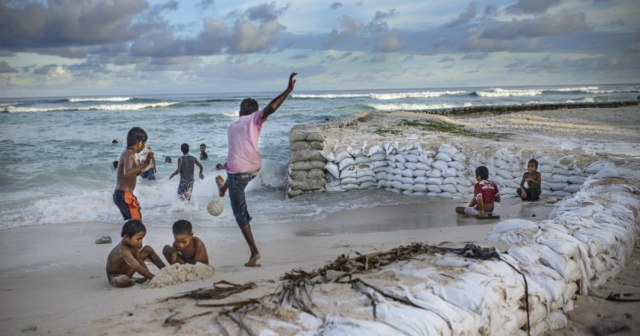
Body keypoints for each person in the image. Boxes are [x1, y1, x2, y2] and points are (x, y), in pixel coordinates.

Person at [216, 72, 297, 267]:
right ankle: (224, 188)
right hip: (253, 168)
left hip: (238, 171)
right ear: (253, 111)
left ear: (240, 111)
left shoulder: (234, 125)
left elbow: (272, 107)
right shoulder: (253, 121)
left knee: (239, 213)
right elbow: (269, 109)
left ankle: (254, 252)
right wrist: (288, 90)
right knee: (234, 177)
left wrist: (287, 90)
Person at [105, 220, 166, 288]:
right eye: (138, 239)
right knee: (124, 280)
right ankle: (133, 280)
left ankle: (166, 270)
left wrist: (147, 276)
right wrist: (154, 278)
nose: (141, 242)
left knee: (147, 249)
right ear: (126, 237)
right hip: (116, 276)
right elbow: (137, 267)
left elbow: (139, 260)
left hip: (129, 269)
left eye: (142, 239)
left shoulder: (133, 244)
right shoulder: (123, 250)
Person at [113, 127, 152, 221]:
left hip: (120, 195)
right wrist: (146, 164)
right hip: (124, 196)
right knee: (137, 224)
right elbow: (127, 173)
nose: (144, 146)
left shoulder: (126, 153)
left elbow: (130, 175)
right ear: (139, 143)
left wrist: (141, 168)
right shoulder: (130, 155)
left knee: (131, 225)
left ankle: (126, 236)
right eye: (144, 143)